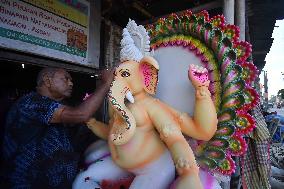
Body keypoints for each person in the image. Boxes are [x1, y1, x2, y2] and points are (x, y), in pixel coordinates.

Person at [0, 67, 114, 188]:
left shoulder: (61, 109)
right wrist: (106, 83)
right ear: (47, 80)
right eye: (66, 78)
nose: (71, 83)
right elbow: (81, 114)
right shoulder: (30, 103)